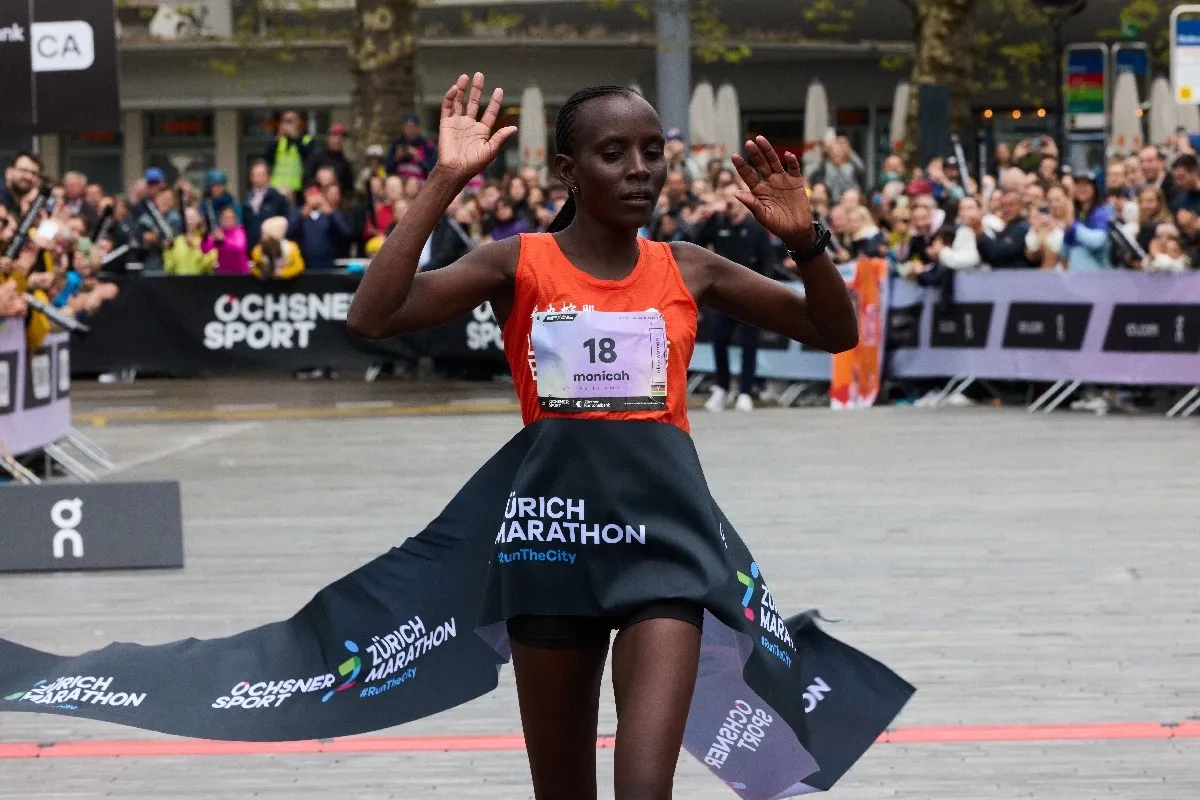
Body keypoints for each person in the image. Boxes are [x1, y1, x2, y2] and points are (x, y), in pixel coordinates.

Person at [348, 72, 860, 800]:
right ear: (569, 169)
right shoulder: (516, 264)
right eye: (613, 153)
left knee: (645, 789)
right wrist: (445, 180)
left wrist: (807, 243)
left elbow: (834, 331)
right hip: (552, 543)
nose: (639, 168)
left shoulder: (688, 267)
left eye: (652, 151)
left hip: (665, 548)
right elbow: (372, 316)